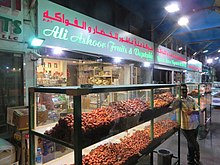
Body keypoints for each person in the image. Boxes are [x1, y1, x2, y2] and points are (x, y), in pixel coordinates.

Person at [171, 84, 200, 165]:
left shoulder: (190, 99)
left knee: (191, 144)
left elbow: (198, 108)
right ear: (179, 91)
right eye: (182, 90)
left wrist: (193, 111)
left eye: (185, 90)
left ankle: (190, 159)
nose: (184, 92)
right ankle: (196, 157)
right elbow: (173, 108)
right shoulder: (177, 101)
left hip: (195, 124)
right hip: (186, 126)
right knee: (194, 145)